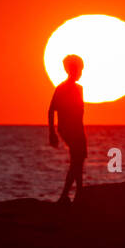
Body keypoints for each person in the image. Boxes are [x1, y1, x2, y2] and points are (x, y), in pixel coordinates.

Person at [48, 54, 87, 204]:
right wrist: (52, 132)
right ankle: (68, 194)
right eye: (79, 69)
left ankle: (78, 192)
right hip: (68, 129)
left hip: (78, 128)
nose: (81, 73)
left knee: (78, 160)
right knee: (77, 159)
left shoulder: (79, 89)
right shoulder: (62, 89)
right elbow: (51, 110)